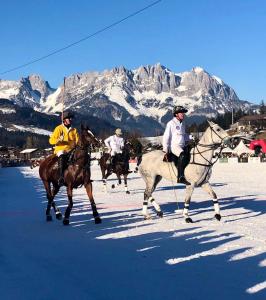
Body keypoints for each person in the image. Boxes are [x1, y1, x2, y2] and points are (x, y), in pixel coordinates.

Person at [49, 111, 79, 186]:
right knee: (62, 156)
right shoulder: (58, 129)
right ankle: (61, 177)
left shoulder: (74, 130)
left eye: (71, 118)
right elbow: (51, 141)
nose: (71, 119)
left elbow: (77, 141)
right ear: (64, 119)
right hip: (60, 149)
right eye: (69, 118)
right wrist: (58, 139)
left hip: (71, 150)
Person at [162, 105, 190, 184]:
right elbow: (166, 136)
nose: (183, 114)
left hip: (182, 145)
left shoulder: (183, 123)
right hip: (174, 146)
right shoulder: (171, 123)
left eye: (183, 113)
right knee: (183, 155)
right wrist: (165, 148)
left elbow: (183, 136)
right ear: (176, 114)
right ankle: (180, 177)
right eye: (181, 113)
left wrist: (190, 137)